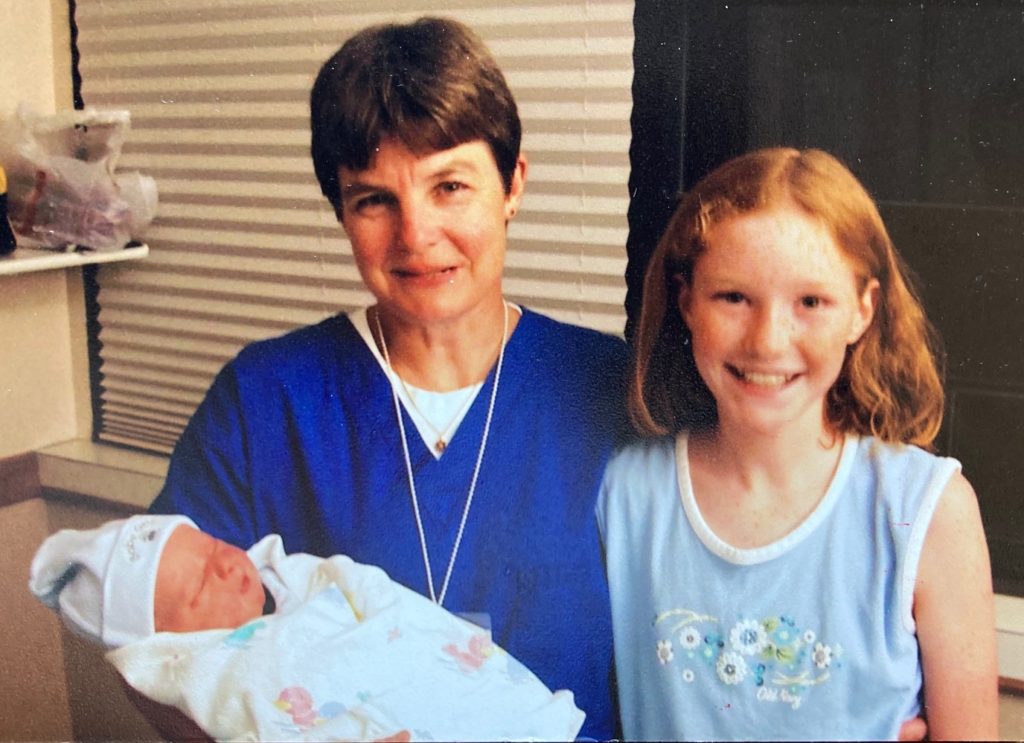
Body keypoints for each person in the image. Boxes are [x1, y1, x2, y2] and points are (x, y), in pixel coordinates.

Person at [148, 16, 628, 740]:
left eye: (450, 186)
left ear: (513, 185)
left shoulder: (614, 391)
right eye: (375, 199)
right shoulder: (264, 402)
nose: (416, 235)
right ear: (341, 210)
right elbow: (161, 660)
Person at [597, 147, 998, 740]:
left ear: (863, 311)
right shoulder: (624, 493)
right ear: (686, 303)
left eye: (811, 302)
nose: (767, 341)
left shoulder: (928, 510)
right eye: (733, 297)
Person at [30, 514, 586, 742]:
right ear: (175, 646)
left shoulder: (308, 580)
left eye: (216, 548)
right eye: (203, 586)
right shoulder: (220, 669)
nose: (228, 565)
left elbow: (390, 606)